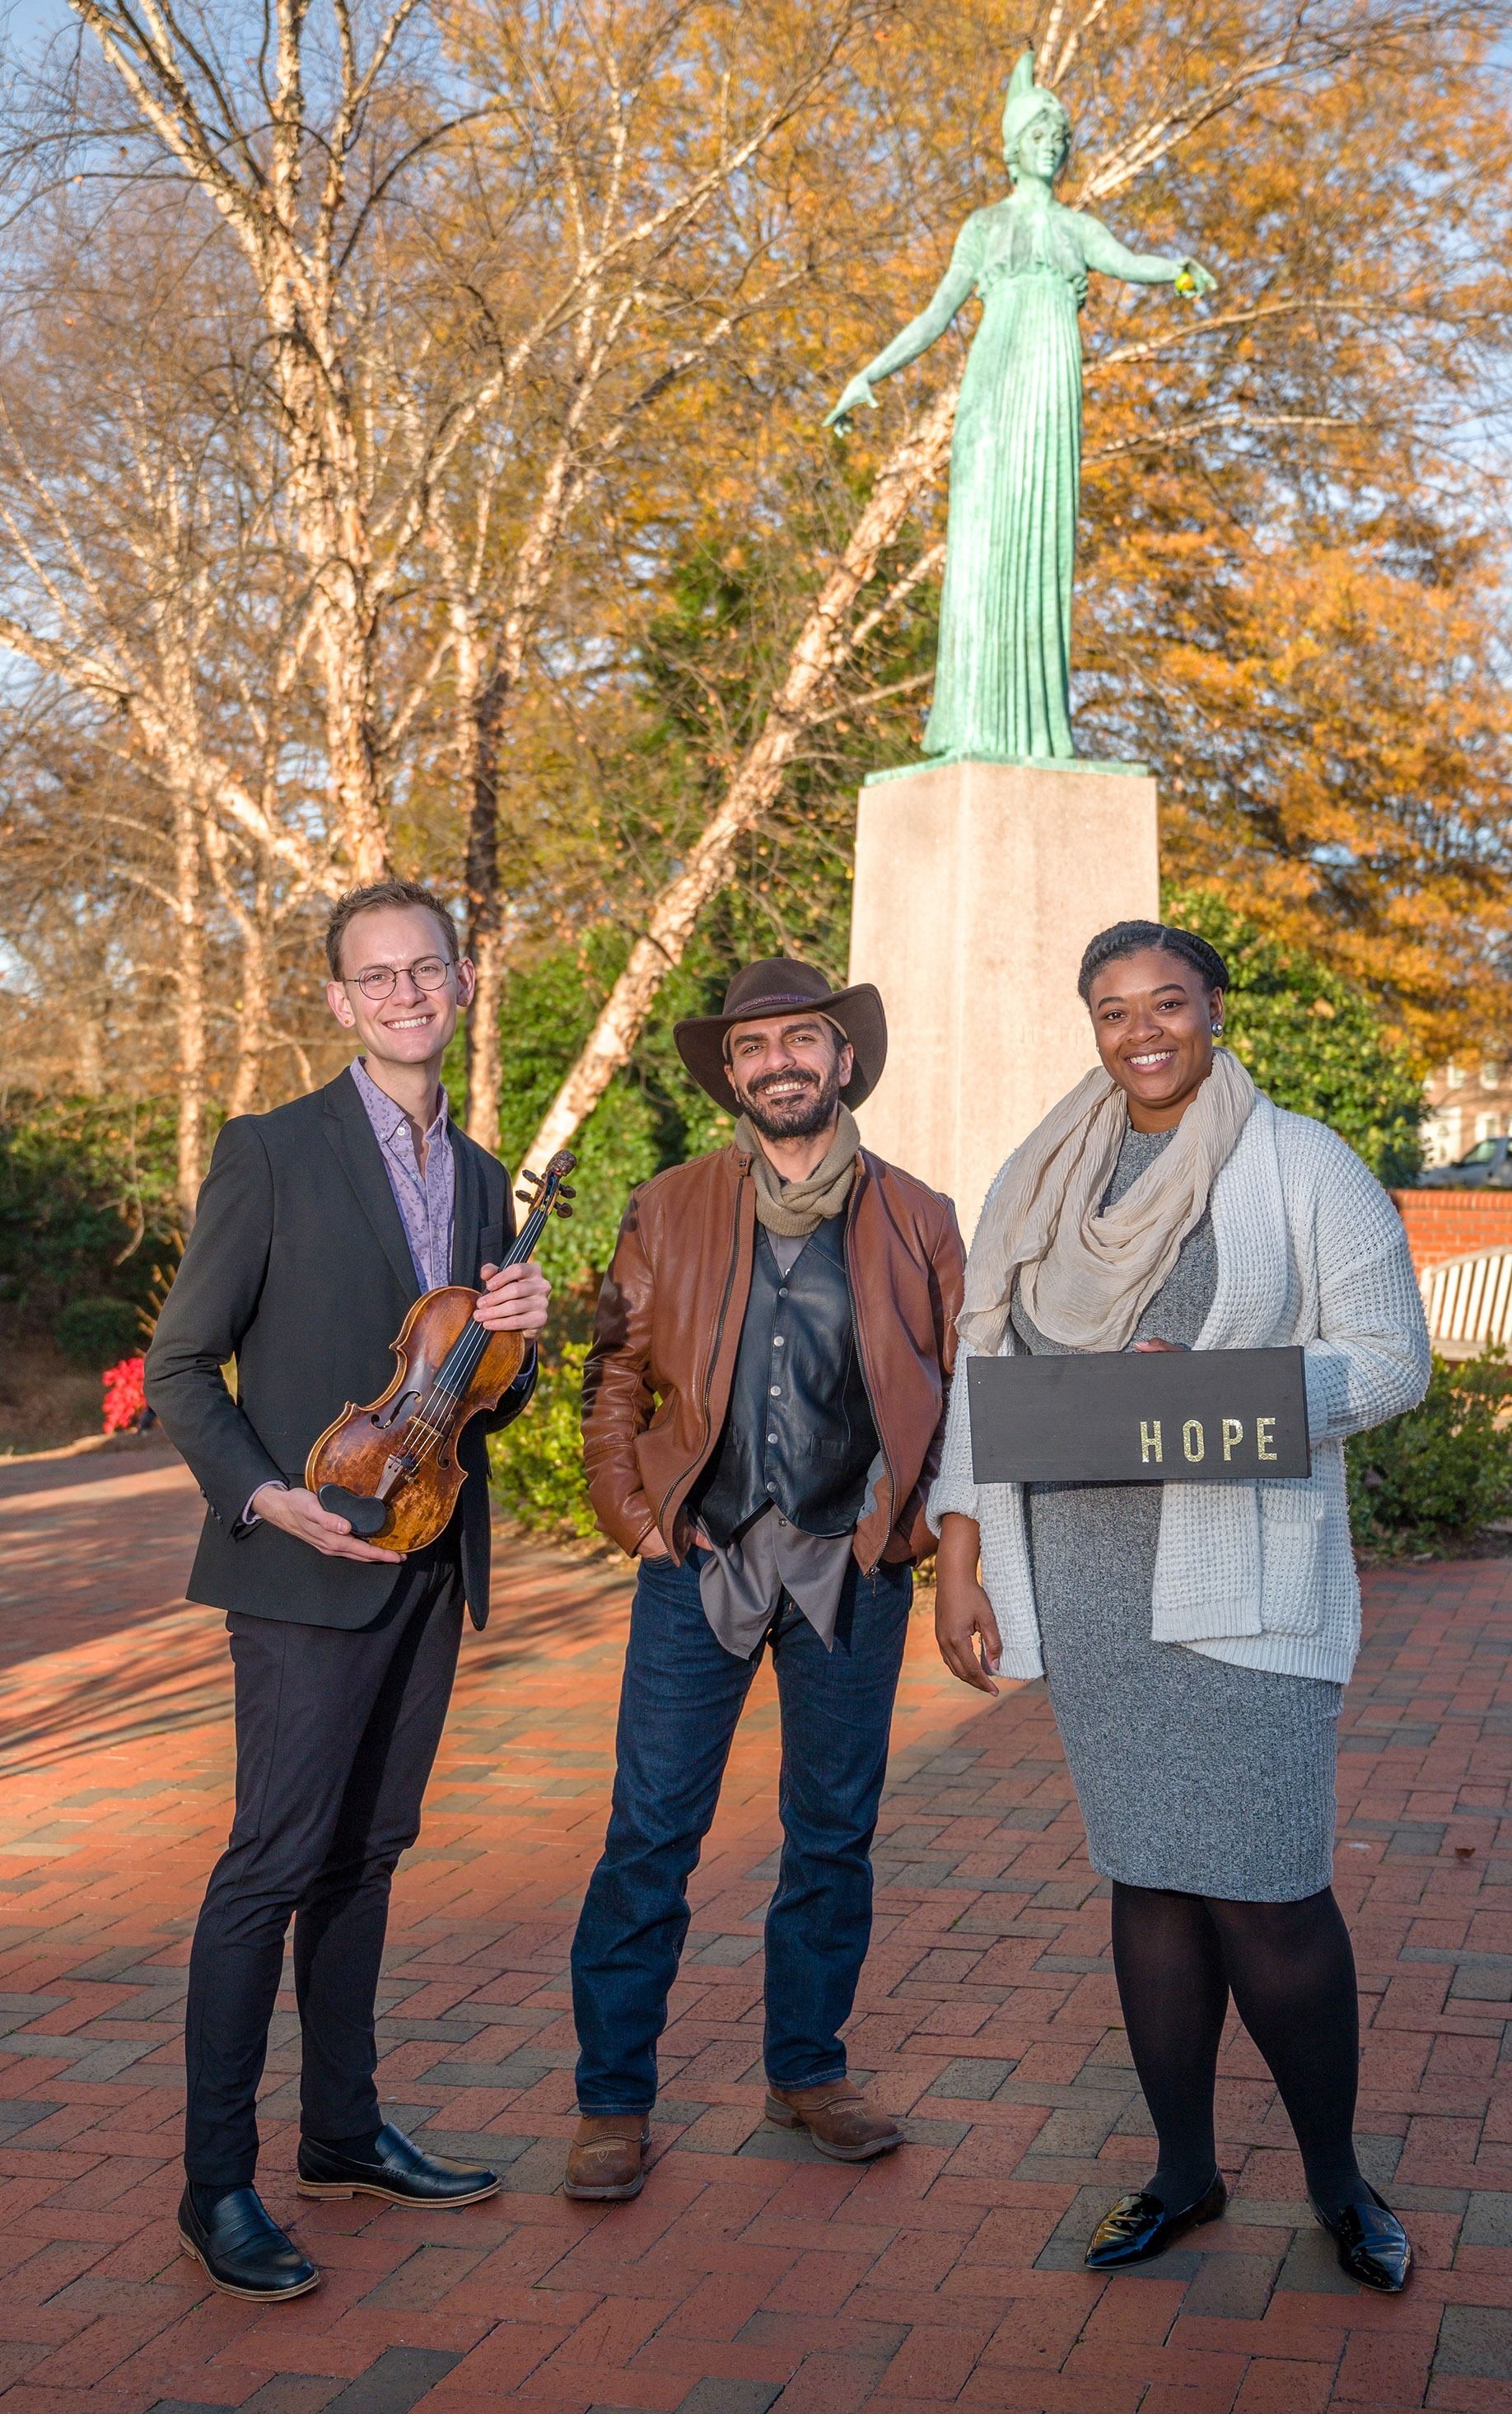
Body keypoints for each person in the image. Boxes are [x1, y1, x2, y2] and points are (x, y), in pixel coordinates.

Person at [931, 920, 1430, 2295]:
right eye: (1110, 1009)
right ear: (1089, 1025)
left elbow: (1394, 1360)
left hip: (1241, 1586)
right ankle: (1181, 2170)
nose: (1139, 1029)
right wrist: (958, 1547)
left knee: (1267, 1894)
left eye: (1164, 1002)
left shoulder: (1298, 1163)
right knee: (1147, 1876)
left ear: (1213, 1008)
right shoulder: (1044, 1171)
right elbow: (988, 1372)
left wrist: (1224, 1387)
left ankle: (1336, 2179)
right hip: (1092, 1583)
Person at [145, 878, 549, 2302]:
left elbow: (469, 1388)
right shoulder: (270, 1152)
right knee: (269, 1864)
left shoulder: (490, 1176)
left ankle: (339, 2132)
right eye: (372, 976)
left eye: (423, 969)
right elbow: (185, 1367)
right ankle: (216, 2186)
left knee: (368, 1855)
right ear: (336, 1001)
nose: (401, 994)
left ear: (458, 982)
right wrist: (270, 1497)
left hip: (430, 1564)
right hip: (303, 1567)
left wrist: (529, 1338)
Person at [570, 957, 965, 2202]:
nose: (780, 1063)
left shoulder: (918, 1214)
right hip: (703, 1562)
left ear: (844, 1058)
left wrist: (915, 1534)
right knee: (649, 1838)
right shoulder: (669, 1204)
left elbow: (960, 1391)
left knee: (832, 1837)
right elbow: (616, 1375)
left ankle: (808, 2070)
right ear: (731, 1073)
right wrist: (637, 1519)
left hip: (853, 1564)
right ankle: (612, 2099)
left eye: (803, 1040)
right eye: (754, 1049)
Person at [825, 49, 1213, 759]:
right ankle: (970, 724)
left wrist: (1180, 271)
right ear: (1012, 147)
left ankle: (1035, 729)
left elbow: (1132, 261)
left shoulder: (1075, 229)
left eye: (1059, 139)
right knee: (983, 534)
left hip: (1051, 386)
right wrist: (867, 375)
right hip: (996, 383)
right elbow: (935, 315)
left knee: (1042, 537)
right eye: (1038, 136)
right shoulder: (984, 228)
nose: (1051, 148)